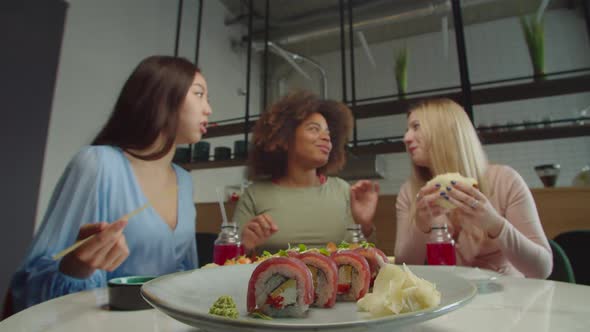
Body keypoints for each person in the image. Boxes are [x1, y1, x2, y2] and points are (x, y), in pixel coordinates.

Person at [9, 55, 212, 312]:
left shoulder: (184, 181)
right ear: (162, 96)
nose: (208, 109)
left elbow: (184, 273)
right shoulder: (96, 164)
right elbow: (32, 281)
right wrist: (77, 267)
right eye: (199, 94)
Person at [395, 98, 552, 278]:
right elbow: (403, 268)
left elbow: (542, 269)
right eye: (407, 130)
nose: (406, 138)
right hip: (447, 298)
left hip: (508, 300)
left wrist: (495, 224)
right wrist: (420, 227)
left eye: (416, 127)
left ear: (445, 131)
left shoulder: (505, 181)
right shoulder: (409, 193)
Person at [232, 91, 379, 254]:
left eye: (328, 133)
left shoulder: (343, 190)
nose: (326, 138)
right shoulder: (254, 194)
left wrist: (364, 225)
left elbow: (363, 259)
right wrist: (244, 245)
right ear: (285, 138)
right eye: (314, 129)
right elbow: (227, 262)